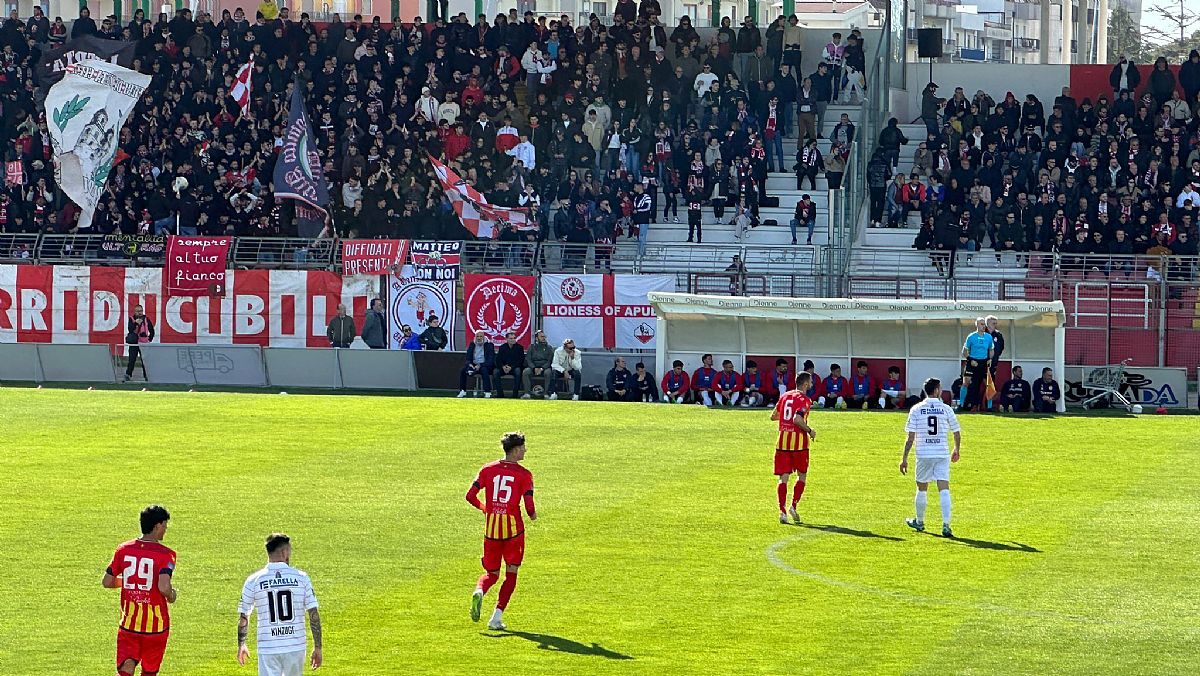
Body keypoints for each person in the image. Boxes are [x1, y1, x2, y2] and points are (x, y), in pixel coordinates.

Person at [466, 432, 537, 631]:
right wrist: (533, 516)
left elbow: (470, 496)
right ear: (515, 451)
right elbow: (529, 506)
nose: (525, 450)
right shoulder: (524, 474)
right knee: (511, 573)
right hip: (513, 533)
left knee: (492, 574)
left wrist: (485, 508)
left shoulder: (487, 469)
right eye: (523, 447)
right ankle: (496, 617)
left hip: (491, 531)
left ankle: (480, 590)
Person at [102, 505, 178, 676]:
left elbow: (107, 581)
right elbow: (164, 587)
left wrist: (131, 581)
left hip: (129, 625)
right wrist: (172, 595)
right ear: (157, 526)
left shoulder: (123, 549)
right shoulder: (167, 555)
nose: (165, 530)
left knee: (125, 669)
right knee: (149, 672)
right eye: (165, 526)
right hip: (156, 628)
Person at [236, 534, 322, 675]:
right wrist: (318, 647)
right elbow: (313, 614)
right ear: (284, 552)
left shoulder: (253, 580)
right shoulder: (301, 578)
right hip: (295, 646)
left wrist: (241, 644)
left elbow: (244, 617)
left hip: (268, 647)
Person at [900, 378, 961, 538]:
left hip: (924, 454)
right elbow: (956, 431)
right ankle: (946, 525)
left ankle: (919, 522)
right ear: (936, 390)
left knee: (921, 488)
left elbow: (910, 437)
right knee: (944, 488)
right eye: (940, 388)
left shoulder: (916, 409)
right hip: (941, 453)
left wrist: (904, 458)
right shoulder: (946, 409)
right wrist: (956, 449)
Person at [771, 371, 816, 524]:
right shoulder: (805, 400)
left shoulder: (785, 396)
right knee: (801, 475)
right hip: (799, 445)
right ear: (805, 384)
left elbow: (773, 416)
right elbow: (797, 419)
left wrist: (785, 418)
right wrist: (810, 430)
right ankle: (793, 506)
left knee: (783, 478)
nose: (812, 383)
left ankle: (782, 511)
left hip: (782, 442)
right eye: (810, 381)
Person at [960, 317, 994, 411]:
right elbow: (964, 351)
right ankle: (961, 405)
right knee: (965, 383)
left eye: (984, 324)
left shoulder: (988, 337)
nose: (984, 326)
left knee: (988, 384)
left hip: (984, 362)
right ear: (977, 325)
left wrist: (990, 359)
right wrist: (970, 360)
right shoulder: (971, 337)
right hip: (973, 361)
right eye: (981, 324)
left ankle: (990, 406)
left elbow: (991, 349)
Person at [458, 330, 495, 398]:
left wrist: (480, 365)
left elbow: (490, 360)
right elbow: (468, 358)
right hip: (473, 365)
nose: (479, 338)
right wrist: (469, 364)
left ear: (484, 337)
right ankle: (462, 391)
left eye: (481, 336)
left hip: (485, 365)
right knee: (463, 370)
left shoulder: (489, 345)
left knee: (484, 370)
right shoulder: (472, 344)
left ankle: (487, 392)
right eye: (477, 336)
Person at [123, 304, 155, 382]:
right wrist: (136, 323)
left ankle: (146, 375)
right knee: (132, 359)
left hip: (144, 343)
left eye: (140, 311)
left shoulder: (146, 319)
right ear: (135, 312)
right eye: (137, 311)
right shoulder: (131, 319)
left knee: (145, 360)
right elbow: (130, 329)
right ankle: (128, 374)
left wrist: (149, 339)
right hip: (134, 343)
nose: (139, 313)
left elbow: (152, 331)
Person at [521, 330, 553, 398]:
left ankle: (546, 393)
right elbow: (528, 359)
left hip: (545, 367)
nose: (544, 338)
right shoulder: (531, 347)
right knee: (525, 372)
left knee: (548, 373)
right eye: (541, 337)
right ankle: (527, 393)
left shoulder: (549, 348)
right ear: (536, 338)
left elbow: (549, 361)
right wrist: (534, 368)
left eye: (544, 336)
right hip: (533, 367)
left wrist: (542, 368)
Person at [494, 332, 525, 398]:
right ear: (506, 339)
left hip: (514, 368)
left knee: (518, 371)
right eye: (511, 338)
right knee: (495, 372)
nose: (513, 340)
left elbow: (520, 361)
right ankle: (500, 394)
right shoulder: (502, 347)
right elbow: (498, 360)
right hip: (504, 368)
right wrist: (503, 367)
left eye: (514, 338)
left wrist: (511, 367)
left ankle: (515, 395)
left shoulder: (519, 348)